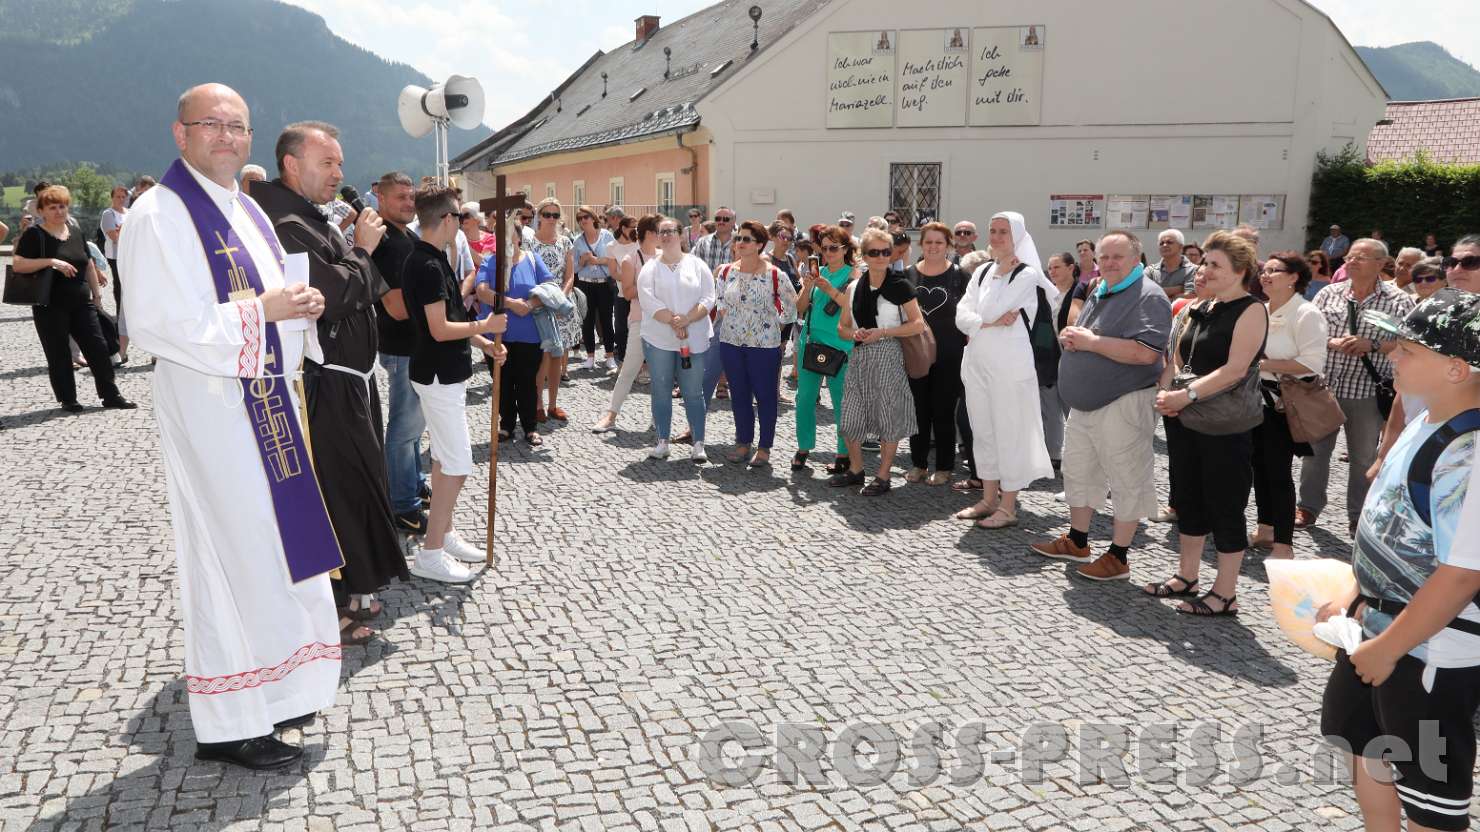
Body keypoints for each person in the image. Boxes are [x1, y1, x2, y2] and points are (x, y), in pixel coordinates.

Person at [119, 82, 335, 770]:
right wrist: (263, 314)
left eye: (237, 126)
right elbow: (156, 323)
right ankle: (230, 721)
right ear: (179, 134)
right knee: (226, 558)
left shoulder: (245, 210)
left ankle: (280, 690)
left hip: (267, 409)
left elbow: (274, 301)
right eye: (209, 124)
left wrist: (301, 304)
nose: (225, 136)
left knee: (274, 553)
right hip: (213, 411)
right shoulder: (160, 214)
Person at [1318, 288, 1480, 832]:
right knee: (1361, 746)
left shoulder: (1471, 452)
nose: (1392, 355)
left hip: (1429, 647)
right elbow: (1389, 526)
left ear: (1457, 369)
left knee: (1429, 796)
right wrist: (1355, 597)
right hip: (1375, 628)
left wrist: (1390, 646)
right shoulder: (1425, 419)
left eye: (1409, 350)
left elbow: (1462, 575)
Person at [252, 121, 410, 609]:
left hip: (353, 379)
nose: (339, 172)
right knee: (339, 485)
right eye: (328, 163)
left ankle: (362, 582)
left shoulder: (313, 219)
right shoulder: (285, 226)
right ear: (291, 165)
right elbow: (336, 295)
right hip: (323, 383)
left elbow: (368, 287)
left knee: (362, 478)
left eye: (340, 162)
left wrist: (357, 261)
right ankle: (341, 595)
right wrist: (361, 249)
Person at [1030, 231, 1171, 580]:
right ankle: (1078, 541)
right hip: (1086, 405)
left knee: (1126, 477)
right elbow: (1095, 337)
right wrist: (1076, 338)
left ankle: (1119, 556)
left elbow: (1145, 353)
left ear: (1137, 259)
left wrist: (1091, 342)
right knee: (1079, 471)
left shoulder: (1148, 296)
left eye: (1117, 257)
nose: (1107, 262)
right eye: (1103, 256)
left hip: (1124, 401)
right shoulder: (1102, 289)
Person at [1145, 231, 1268, 614]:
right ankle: (1187, 575)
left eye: (1216, 265)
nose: (1206, 270)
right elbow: (1179, 359)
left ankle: (1225, 592)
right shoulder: (1203, 306)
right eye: (1205, 263)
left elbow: (1234, 370)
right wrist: (1164, 394)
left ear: (1240, 271)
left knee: (1225, 504)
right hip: (1184, 420)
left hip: (1224, 425)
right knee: (1189, 498)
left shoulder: (1251, 309)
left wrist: (1187, 395)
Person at [401, 185, 507, 583]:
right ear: (446, 220)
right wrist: (487, 326)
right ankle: (430, 555)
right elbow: (439, 328)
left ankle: (443, 534)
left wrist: (483, 342)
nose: (461, 226)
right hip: (437, 375)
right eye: (459, 218)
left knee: (445, 458)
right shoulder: (425, 265)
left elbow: (454, 315)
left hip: (446, 372)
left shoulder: (436, 260)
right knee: (458, 462)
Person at [1299, 239, 1415, 536]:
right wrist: (1330, 342)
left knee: (1363, 457)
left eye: (1360, 258)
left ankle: (1358, 515)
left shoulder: (1399, 300)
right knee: (1314, 454)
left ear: (1380, 263)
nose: (1351, 262)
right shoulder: (1328, 294)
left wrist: (1372, 345)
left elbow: (1407, 343)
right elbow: (1307, 332)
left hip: (1366, 390)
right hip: (1325, 387)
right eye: (1349, 257)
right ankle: (1308, 507)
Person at [953, 212, 1056, 526]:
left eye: (1003, 232)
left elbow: (989, 309)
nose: (996, 237)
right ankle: (988, 497)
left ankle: (1008, 506)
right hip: (977, 362)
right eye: (992, 230)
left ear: (1017, 238)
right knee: (983, 431)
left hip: (1010, 366)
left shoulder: (1026, 275)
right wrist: (988, 322)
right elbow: (961, 313)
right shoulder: (983, 270)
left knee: (1008, 431)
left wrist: (982, 319)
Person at [14, 185, 134, 412]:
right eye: (52, 207)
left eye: (62, 206)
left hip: (81, 303)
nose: (59, 211)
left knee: (98, 347)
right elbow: (19, 264)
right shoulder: (34, 234)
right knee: (58, 352)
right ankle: (68, 399)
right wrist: (51, 262)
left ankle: (111, 395)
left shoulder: (75, 231)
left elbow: (87, 263)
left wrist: (97, 296)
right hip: (49, 304)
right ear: (41, 211)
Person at [830, 228, 925, 495]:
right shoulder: (853, 287)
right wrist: (855, 334)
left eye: (886, 251)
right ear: (864, 255)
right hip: (859, 355)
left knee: (887, 416)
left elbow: (917, 325)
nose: (881, 257)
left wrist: (883, 332)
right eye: (875, 252)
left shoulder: (900, 285)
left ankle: (883, 475)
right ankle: (857, 470)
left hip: (888, 353)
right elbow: (842, 328)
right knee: (850, 415)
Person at [1247, 251, 1327, 559]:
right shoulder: (1261, 309)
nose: (1265, 275)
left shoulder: (1306, 313)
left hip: (1285, 404)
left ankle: (1284, 544)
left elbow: (1311, 363)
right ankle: (1266, 528)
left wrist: (1261, 364)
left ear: (1294, 277)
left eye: (1274, 271)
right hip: (1256, 402)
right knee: (1259, 468)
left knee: (1279, 472)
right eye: (1264, 270)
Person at [368, 172, 428, 536]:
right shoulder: (388, 242)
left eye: (411, 197)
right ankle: (402, 505)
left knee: (415, 426)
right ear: (381, 199)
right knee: (404, 430)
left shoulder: (408, 236)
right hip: (402, 345)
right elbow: (395, 306)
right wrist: (438, 305)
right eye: (400, 197)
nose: (408, 203)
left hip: (416, 344)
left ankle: (413, 481)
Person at [714, 220, 797, 465]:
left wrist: (776, 327)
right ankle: (742, 443)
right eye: (738, 238)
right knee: (738, 394)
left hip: (764, 346)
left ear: (760, 244)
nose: (740, 243)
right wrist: (730, 317)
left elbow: (791, 306)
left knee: (765, 396)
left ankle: (764, 448)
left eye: (746, 239)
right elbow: (719, 301)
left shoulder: (774, 273)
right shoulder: (726, 271)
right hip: (731, 343)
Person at [638, 216, 716, 462]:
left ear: (681, 235)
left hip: (694, 337)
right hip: (659, 338)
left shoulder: (697, 265)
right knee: (660, 388)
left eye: (671, 231)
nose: (667, 235)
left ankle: (698, 443)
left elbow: (709, 297)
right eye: (662, 231)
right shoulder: (650, 267)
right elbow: (647, 299)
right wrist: (673, 320)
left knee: (693, 391)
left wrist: (688, 319)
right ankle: (662, 441)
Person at [905, 223, 969, 485]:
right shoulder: (908, 275)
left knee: (943, 411)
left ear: (948, 245)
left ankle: (944, 466)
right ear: (921, 244)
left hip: (949, 354)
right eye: (929, 242)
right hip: (916, 353)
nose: (933, 247)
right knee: (917, 410)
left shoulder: (960, 276)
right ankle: (918, 464)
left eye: (939, 242)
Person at [792, 225, 857, 472]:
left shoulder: (854, 275)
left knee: (841, 401)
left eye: (834, 248)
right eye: (824, 247)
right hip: (812, 342)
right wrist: (808, 287)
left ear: (845, 250)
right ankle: (803, 447)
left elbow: (852, 305)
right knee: (805, 399)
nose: (828, 252)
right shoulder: (815, 272)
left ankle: (843, 453)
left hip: (841, 345)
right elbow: (799, 308)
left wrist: (828, 288)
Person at [592, 214, 659, 434]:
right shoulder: (632, 258)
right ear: (650, 233)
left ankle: (659, 419)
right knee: (629, 369)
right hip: (641, 320)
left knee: (662, 373)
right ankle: (611, 415)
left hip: (665, 322)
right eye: (661, 231)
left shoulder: (664, 257)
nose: (665, 236)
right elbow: (629, 293)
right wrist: (653, 288)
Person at [528, 197, 577, 422]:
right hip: (539, 305)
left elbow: (570, 276)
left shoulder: (566, 242)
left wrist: (560, 299)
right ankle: (537, 402)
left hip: (561, 306)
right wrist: (546, 300)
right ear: (539, 216)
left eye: (555, 215)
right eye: (546, 214)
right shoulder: (530, 242)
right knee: (542, 356)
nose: (551, 219)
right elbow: (528, 275)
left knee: (558, 356)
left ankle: (553, 404)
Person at [1039, 251, 1086, 472]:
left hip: (1073, 357)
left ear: (1071, 268)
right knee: (1049, 406)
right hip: (1048, 357)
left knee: (1074, 410)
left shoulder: (1081, 290)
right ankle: (1054, 454)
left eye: (1057, 267)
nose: (1052, 272)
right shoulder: (1046, 293)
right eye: (1050, 268)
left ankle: (1083, 457)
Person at [572, 205, 619, 371]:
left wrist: (596, 260)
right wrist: (583, 261)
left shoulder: (607, 236)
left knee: (606, 320)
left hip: (604, 283)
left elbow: (614, 259)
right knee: (587, 321)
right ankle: (590, 356)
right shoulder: (577, 241)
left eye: (586, 217)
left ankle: (609, 356)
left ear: (593, 218)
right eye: (580, 219)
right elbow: (574, 269)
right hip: (585, 284)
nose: (583, 221)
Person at [99, 184, 130, 363]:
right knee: (121, 291)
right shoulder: (108, 214)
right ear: (112, 197)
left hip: (131, 256)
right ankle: (120, 324)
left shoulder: (129, 213)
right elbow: (114, 236)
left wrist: (122, 231)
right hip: (116, 257)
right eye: (117, 196)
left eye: (122, 196)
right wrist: (124, 233)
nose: (120, 199)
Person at [609, 215, 639, 365]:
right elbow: (613, 272)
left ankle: (641, 361)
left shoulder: (640, 244)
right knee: (621, 327)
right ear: (623, 228)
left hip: (639, 293)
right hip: (622, 293)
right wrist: (630, 278)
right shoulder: (612, 247)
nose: (635, 230)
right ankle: (622, 358)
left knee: (638, 326)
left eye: (637, 227)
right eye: (633, 227)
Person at [1146, 229, 1195, 300]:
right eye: (1161, 243)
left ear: (1180, 247)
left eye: (1169, 242)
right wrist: (1178, 289)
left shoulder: (1193, 270)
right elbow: (1143, 293)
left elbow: (1190, 296)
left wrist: (1157, 295)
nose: (1164, 245)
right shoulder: (1150, 271)